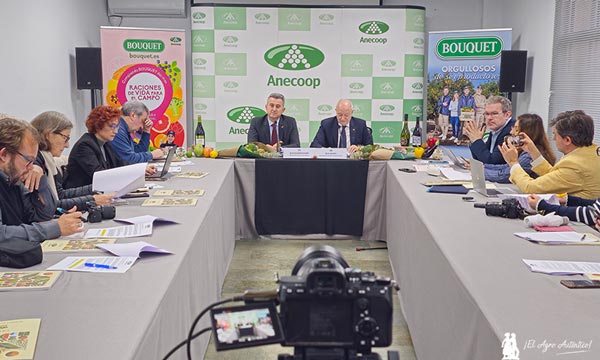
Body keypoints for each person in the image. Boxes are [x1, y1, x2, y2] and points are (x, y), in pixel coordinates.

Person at [0, 117, 82, 242]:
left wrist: (40, 176)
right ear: (4, 155)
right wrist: (55, 228)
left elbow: (41, 215)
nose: (31, 167)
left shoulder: (13, 179)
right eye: (28, 160)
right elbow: (2, 234)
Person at [500, 110, 600, 199]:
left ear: (567, 140)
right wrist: (533, 152)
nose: (554, 138)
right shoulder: (590, 153)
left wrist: (513, 163)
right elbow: (554, 175)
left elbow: (530, 187)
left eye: (555, 134)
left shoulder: (575, 166)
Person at [31, 111, 115, 211]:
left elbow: (60, 194)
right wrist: (93, 200)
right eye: (65, 138)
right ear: (48, 134)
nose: (67, 145)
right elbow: (51, 205)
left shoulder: (46, 159)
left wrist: (96, 188)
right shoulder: (35, 164)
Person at [64, 106, 157, 188]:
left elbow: (120, 164)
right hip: (82, 198)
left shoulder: (105, 144)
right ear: (98, 125)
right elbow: (100, 176)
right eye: (112, 126)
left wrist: (141, 169)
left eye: (117, 127)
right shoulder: (85, 146)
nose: (116, 131)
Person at [478, 114, 556, 183]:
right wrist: (483, 166)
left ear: (526, 133)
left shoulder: (529, 155)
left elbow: (505, 175)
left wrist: (479, 172)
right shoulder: (524, 151)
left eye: (516, 129)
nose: (511, 132)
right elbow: (506, 167)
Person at [463, 95, 515, 164]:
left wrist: (477, 140)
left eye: (494, 113)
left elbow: (492, 162)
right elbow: (481, 158)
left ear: (507, 115)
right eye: (487, 114)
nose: (489, 118)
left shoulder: (511, 132)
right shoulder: (496, 128)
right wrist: (474, 140)